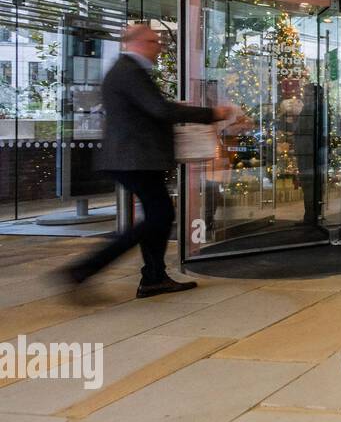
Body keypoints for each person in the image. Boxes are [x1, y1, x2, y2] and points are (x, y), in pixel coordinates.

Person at [66, 23, 234, 297]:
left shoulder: (129, 71)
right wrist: (212, 113)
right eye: (153, 41)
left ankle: (154, 277)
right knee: (159, 215)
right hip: (134, 158)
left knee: (158, 215)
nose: (159, 46)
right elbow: (159, 109)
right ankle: (85, 269)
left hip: (135, 157)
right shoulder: (129, 72)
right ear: (136, 43)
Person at [293, 82, 325, 224]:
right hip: (314, 153)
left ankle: (310, 216)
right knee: (315, 183)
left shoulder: (309, 109)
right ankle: (315, 214)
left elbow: (304, 132)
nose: (304, 96)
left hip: (307, 153)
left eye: (306, 94)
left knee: (309, 184)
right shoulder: (321, 108)